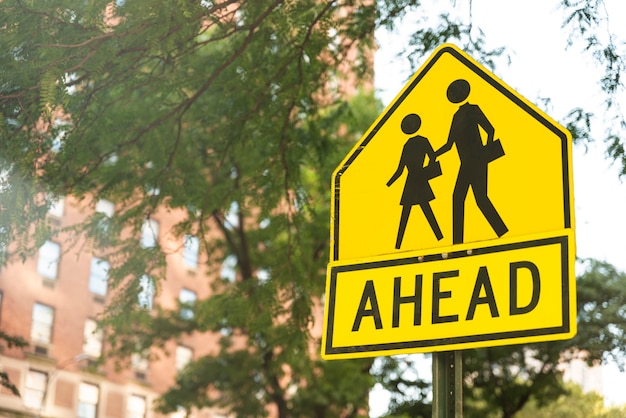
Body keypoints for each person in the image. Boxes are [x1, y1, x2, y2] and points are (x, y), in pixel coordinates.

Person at [435, 79, 508, 244]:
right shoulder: (457, 116)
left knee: (477, 199)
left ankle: (502, 234)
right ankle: (458, 243)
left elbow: (490, 129)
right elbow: (449, 144)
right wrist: (435, 154)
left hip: (476, 161)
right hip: (467, 164)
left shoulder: (472, 110)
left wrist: (485, 153)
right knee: (463, 198)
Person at [387, 113, 443, 249]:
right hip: (420, 178)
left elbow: (400, 170)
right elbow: (433, 156)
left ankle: (398, 244)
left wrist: (389, 183)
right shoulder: (423, 141)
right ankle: (439, 237)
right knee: (425, 209)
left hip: (411, 181)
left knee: (407, 212)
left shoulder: (407, 145)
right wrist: (426, 170)